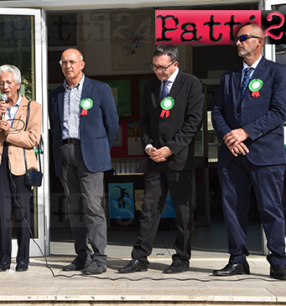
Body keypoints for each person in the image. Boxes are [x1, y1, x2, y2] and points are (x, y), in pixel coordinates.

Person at [117, 45, 204, 274]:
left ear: (175, 64)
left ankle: (182, 258)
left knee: (183, 212)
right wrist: (148, 145)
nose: (158, 72)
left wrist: (170, 149)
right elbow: (144, 120)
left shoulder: (191, 84)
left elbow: (193, 123)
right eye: (154, 67)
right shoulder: (150, 86)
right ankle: (140, 258)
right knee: (149, 209)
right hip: (154, 159)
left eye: (162, 67)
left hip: (179, 160)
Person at [211, 23, 286, 280]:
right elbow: (217, 111)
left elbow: (279, 112)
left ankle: (278, 261)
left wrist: (246, 132)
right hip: (232, 155)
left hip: (265, 155)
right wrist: (229, 137)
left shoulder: (277, 72)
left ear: (259, 41)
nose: (238, 43)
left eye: (243, 38)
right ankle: (238, 259)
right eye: (237, 39)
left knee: (270, 208)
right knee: (233, 208)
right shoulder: (229, 77)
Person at [48, 48, 119, 275]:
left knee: (92, 206)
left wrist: (99, 149)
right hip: (65, 154)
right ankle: (82, 255)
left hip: (90, 155)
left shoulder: (99, 89)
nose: (68, 66)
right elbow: (54, 128)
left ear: (82, 64)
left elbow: (113, 124)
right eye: (64, 62)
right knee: (75, 208)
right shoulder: (56, 94)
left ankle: (99, 257)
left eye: (72, 61)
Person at [0, 65, 41, 273]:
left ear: (18, 84)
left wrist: (10, 133)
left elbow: (33, 138)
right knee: (3, 214)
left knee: (22, 213)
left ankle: (23, 258)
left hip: (21, 166)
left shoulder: (33, 107)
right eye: (1, 83)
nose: (4, 87)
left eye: (8, 82)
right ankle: (4, 258)